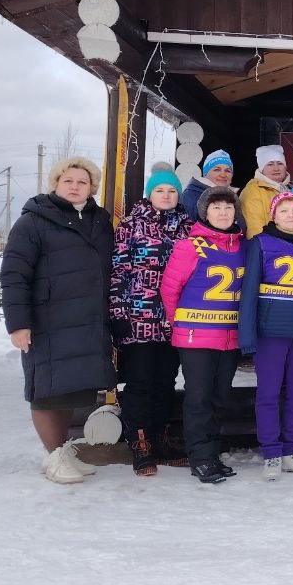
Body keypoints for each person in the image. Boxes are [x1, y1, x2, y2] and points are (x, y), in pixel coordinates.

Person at [1, 157, 114, 485]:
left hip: (86, 321)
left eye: (83, 182)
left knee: (70, 390)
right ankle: (54, 456)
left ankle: (62, 453)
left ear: (92, 187)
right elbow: (14, 274)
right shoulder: (33, 222)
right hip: (48, 322)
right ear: (56, 184)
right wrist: (18, 323)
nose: (75, 187)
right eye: (69, 181)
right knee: (46, 392)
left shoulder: (99, 220)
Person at [108, 168, 193, 476]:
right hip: (138, 317)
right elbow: (118, 271)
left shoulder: (188, 226)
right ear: (150, 194)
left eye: (172, 191)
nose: (167, 195)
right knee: (140, 381)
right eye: (161, 191)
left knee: (166, 381)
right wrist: (118, 314)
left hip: (175, 319)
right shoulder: (131, 225)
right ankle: (139, 442)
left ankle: (159, 439)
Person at [160, 186, 246, 484]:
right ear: (204, 212)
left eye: (228, 207)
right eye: (216, 208)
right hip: (196, 337)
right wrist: (180, 326)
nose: (223, 213)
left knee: (219, 397)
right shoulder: (190, 246)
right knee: (199, 398)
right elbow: (170, 290)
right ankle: (199, 457)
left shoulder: (243, 246)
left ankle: (211, 453)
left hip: (229, 337)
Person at [238, 191, 293, 480]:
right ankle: (272, 452)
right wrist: (247, 337)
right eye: (283, 210)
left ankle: (291, 450)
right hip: (271, 333)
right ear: (274, 215)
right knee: (269, 394)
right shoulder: (261, 243)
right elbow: (248, 294)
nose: (290, 215)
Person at [239, 145, 290, 238]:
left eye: (280, 163)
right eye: (270, 164)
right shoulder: (253, 190)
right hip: (269, 248)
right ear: (262, 168)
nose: (276, 168)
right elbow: (255, 229)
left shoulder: (289, 189)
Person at [181, 149, 234, 223]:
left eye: (228, 171)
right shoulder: (191, 196)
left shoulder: (233, 197)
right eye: (217, 170)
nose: (223, 175)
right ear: (205, 174)